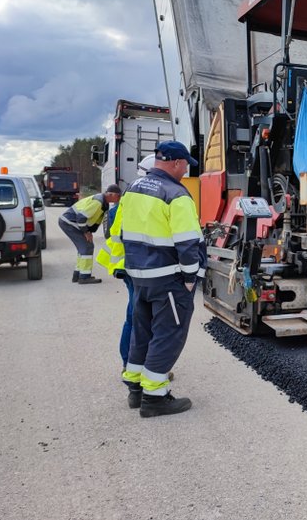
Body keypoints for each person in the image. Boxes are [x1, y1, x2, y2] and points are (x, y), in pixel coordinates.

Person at [119, 142, 204, 417]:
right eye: (185, 164)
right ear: (177, 163)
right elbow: (188, 242)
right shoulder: (176, 194)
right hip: (168, 279)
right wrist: (190, 277)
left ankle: (135, 389)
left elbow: (120, 229)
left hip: (140, 276)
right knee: (168, 334)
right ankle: (155, 398)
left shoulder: (133, 188)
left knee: (142, 332)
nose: (186, 168)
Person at [96, 155, 156, 389]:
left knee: (135, 316)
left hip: (126, 266)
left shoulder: (129, 195)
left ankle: (131, 364)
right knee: (138, 317)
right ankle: (135, 367)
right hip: (136, 267)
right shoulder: (143, 197)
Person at [58, 184, 122, 284]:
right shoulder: (98, 202)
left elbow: (93, 220)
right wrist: (86, 232)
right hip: (70, 222)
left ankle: (78, 274)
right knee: (87, 247)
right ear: (111, 194)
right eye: (118, 196)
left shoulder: (103, 202)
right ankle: (84, 277)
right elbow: (81, 217)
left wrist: (89, 231)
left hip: (71, 222)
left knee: (83, 247)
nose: (119, 198)